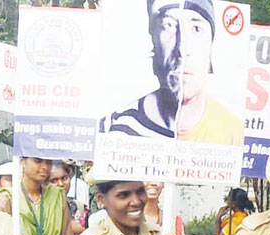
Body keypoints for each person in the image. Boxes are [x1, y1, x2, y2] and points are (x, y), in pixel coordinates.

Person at [99, 0, 243, 145]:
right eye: (168, 26)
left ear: (212, 45)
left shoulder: (234, 134)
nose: (182, 48)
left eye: (196, 29)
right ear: (153, 38)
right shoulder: (114, 128)